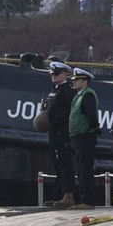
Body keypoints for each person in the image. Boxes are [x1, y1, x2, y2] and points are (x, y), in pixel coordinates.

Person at [41, 60, 80, 205]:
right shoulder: (54, 90)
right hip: (54, 132)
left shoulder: (68, 91)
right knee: (57, 165)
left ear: (64, 74)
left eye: (56, 74)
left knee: (65, 164)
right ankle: (59, 195)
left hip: (63, 132)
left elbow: (70, 112)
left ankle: (68, 195)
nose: (53, 76)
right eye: (52, 74)